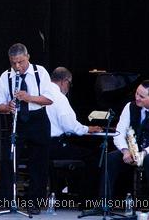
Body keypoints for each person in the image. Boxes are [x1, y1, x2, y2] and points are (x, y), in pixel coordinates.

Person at [0, 43, 54, 214]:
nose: (17, 66)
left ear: (28, 57)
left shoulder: (39, 72)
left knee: (38, 163)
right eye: (14, 63)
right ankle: (6, 199)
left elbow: (49, 99)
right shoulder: (6, 76)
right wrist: (8, 106)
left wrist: (28, 98)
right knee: (8, 159)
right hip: (17, 121)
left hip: (38, 119)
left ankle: (34, 202)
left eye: (21, 62)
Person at [100, 80, 149, 202]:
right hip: (133, 150)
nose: (137, 98)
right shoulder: (129, 107)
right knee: (111, 158)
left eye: (142, 96)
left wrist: (145, 152)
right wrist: (125, 151)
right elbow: (119, 133)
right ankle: (103, 203)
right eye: (136, 93)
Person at [46, 67, 102, 205]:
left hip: (41, 144)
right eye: (70, 84)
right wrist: (88, 128)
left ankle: (66, 190)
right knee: (93, 157)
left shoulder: (41, 92)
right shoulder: (59, 97)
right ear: (65, 81)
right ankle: (86, 200)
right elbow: (70, 126)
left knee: (78, 151)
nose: (69, 88)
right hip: (54, 145)